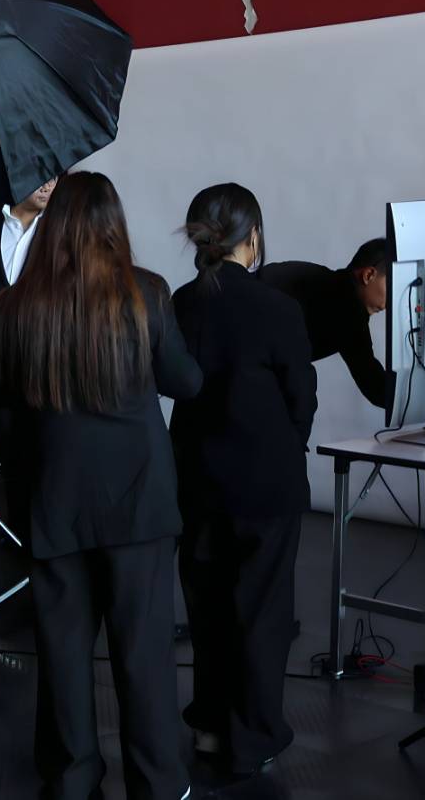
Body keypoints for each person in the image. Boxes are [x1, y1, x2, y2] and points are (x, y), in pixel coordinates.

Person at [0, 172, 202, 800]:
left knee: (63, 651)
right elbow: (185, 382)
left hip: (53, 501)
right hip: (139, 502)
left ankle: (71, 779)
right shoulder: (146, 294)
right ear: (113, 225)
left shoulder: (8, 308)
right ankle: (158, 781)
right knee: (144, 652)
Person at [171, 183, 316, 776]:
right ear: (252, 236)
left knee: (206, 607)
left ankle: (209, 726)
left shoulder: (179, 302)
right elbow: (301, 397)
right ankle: (252, 739)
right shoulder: (278, 307)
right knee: (261, 612)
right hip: (265, 483)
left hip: (195, 478)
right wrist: (287, 448)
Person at [259, 238, 391, 408]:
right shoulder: (348, 309)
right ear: (368, 275)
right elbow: (377, 387)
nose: (394, 298)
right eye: (392, 285)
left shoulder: (331, 282)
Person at [0, 177, 58, 328]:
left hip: (41, 339)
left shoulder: (59, 229)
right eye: (40, 176)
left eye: (53, 177)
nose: (47, 187)